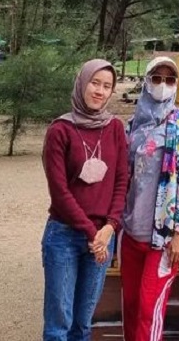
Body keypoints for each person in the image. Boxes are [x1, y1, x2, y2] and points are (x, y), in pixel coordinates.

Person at [42, 59, 130, 341]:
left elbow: (121, 180)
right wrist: (94, 234)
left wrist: (111, 226)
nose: (100, 91)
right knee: (59, 324)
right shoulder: (60, 131)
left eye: (107, 86)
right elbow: (60, 192)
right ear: (82, 83)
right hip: (65, 235)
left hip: (103, 235)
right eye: (95, 83)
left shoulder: (115, 127)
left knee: (83, 323)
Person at [120, 57, 179, 341]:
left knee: (149, 309)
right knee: (129, 306)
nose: (162, 85)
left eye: (169, 79)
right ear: (146, 81)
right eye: (156, 78)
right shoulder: (131, 126)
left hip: (163, 238)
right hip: (130, 232)